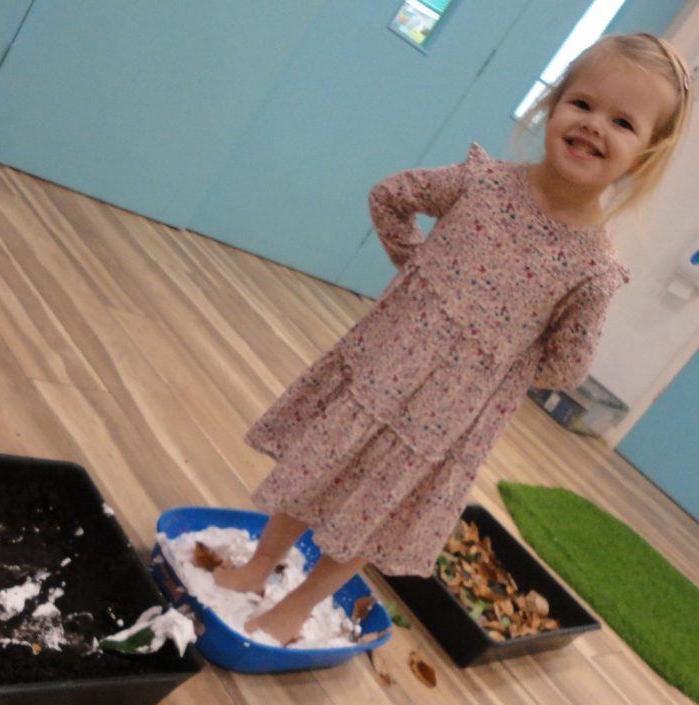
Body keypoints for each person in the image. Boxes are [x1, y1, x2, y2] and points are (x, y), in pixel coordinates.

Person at [214, 33, 694, 645]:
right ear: (552, 106)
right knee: (317, 470)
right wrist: (420, 275)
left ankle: (298, 608)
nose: (594, 125)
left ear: (644, 155)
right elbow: (391, 197)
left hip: (441, 425)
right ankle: (259, 565)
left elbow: (567, 367)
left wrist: (496, 360)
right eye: (583, 104)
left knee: (373, 512)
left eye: (623, 122)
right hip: (378, 371)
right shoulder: (482, 182)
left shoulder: (592, 271)